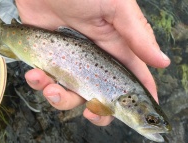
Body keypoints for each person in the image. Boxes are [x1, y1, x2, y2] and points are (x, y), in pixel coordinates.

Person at [15, 0, 170, 126]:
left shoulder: (121, 99)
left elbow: (94, 107)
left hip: (26, 18)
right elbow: (94, 107)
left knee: (15, 47)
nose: (151, 123)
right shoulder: (120, 99)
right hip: (32, 23)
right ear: (129, 101)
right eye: (150, 120)